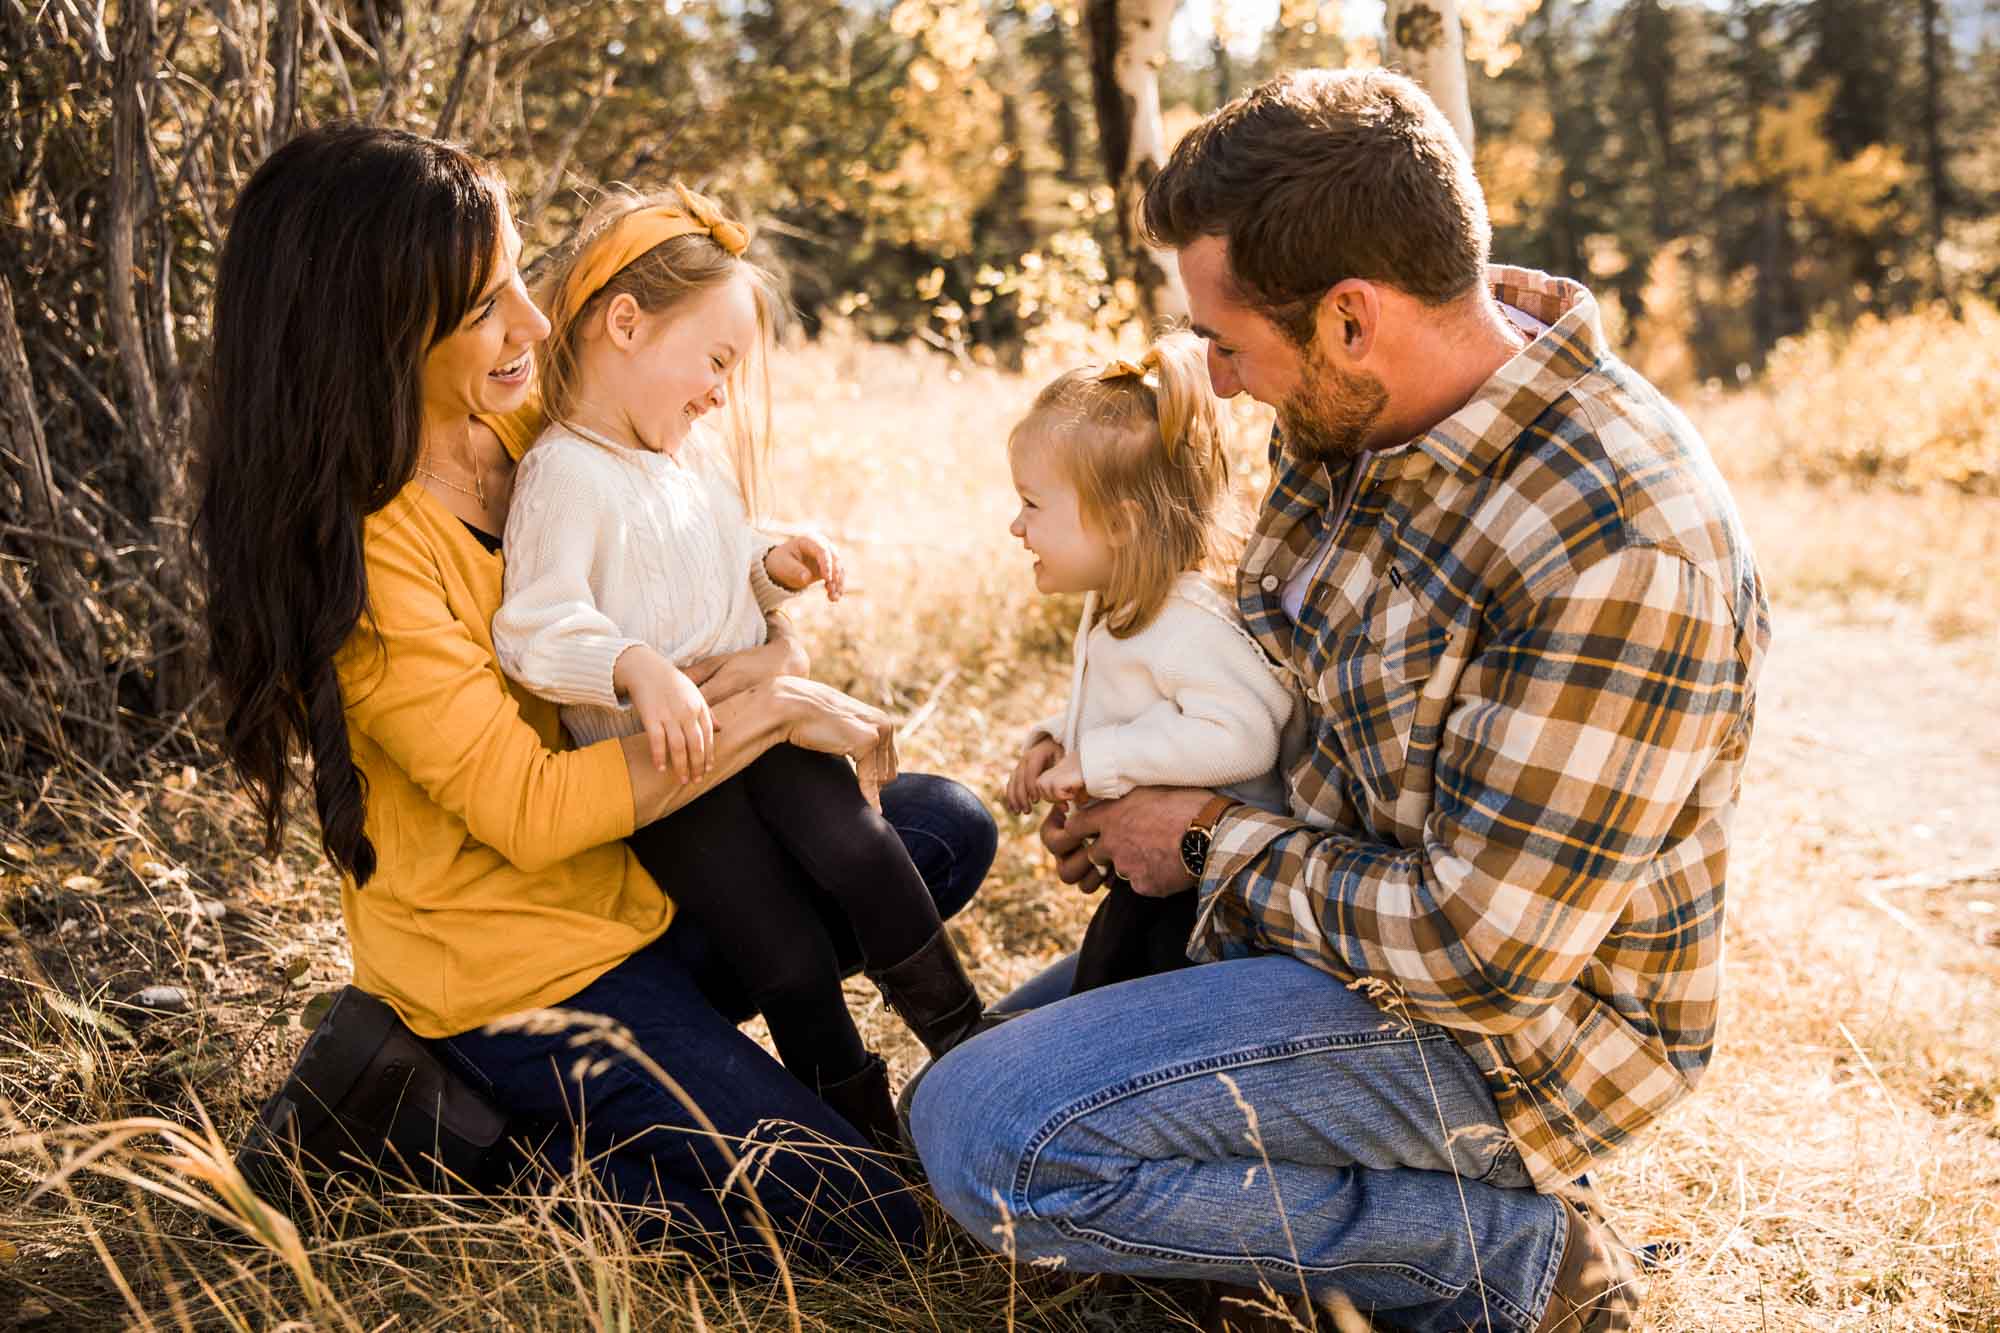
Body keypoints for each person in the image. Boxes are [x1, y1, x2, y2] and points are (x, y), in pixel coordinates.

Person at [912, 69, 1769, 1333]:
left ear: (1350, 319)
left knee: (994, 1140)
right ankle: (1270, 1241)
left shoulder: (1618, 550)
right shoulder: (1349, 413)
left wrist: (1202, 836)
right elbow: (1262, 658)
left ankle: (1508, 1261)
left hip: (1505, 1036)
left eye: (1230, 345)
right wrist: (1119, 772)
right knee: (956, 1092)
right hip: (1323, 913)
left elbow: (1480, 959)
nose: (1220, 380)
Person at [193, 123, 995, 1271]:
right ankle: (466, 1141)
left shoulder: (525, 421)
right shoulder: (370, 562)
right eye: (484, 306)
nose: (531, 320)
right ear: (376, 333)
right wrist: (764, 709)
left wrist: (763, 618)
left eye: (520, 272)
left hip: (653, 872)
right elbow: (527, 807)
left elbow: (672, 570)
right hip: (518, 969)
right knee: (863, 1222)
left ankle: (696, 1074)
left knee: (935, 833)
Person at [490, 184, 989, 1149]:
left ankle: (966, 1038)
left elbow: (715, 557)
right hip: (674, 776)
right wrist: (632, 663)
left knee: (863, 846)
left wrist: (771, 561)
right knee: (786, 952)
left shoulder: (691, 459)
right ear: (624, 324)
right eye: (715, 360)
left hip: (765, 719)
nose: (722, 389)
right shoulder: (563, 473)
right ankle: (855, 1129)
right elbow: (536, 626)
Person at [999, 332, 1294, 994]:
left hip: (1212, 902)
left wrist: (1100, 760)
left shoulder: (1187, 621)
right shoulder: (1123, 600)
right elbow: (1142, 709)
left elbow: (1242, 734)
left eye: (1033, 504)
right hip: (1160, 881)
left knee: (1114, 998)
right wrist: (1057, 739)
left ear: (1121, 524)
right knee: (1098, 977)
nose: (1017, 526)